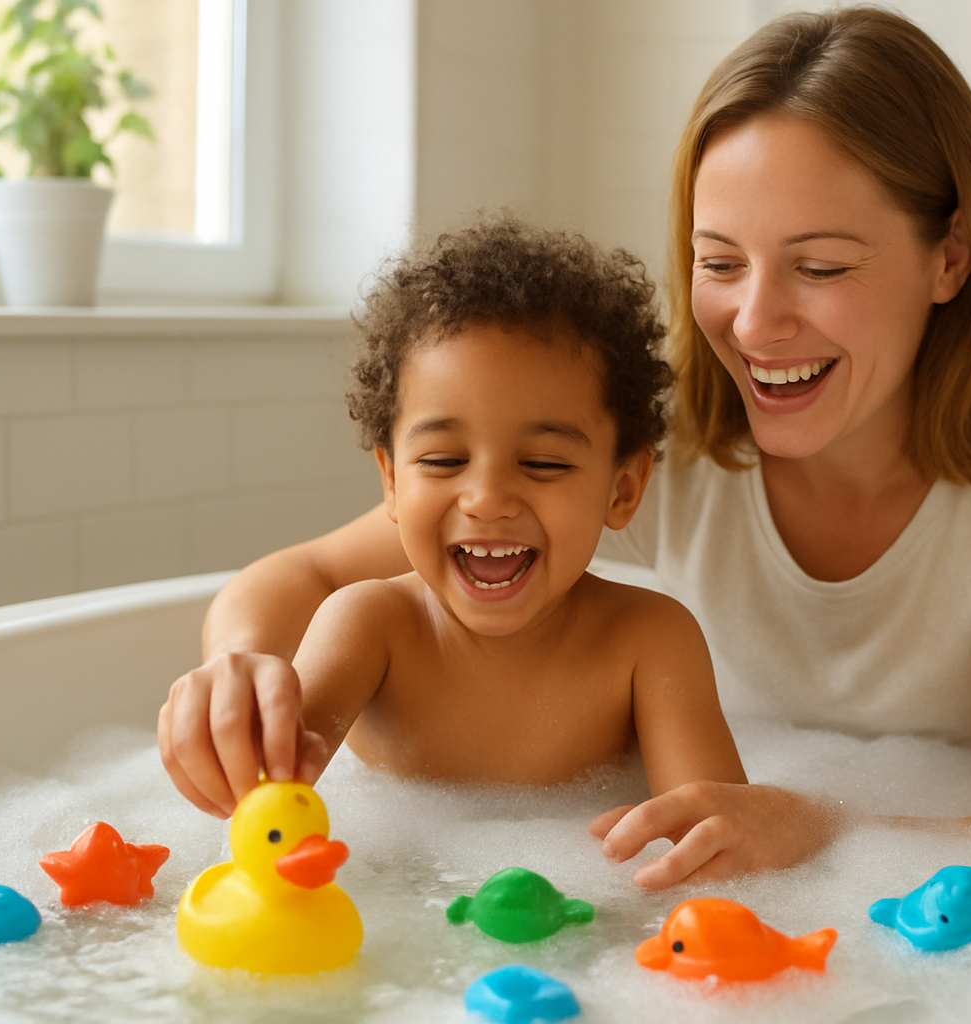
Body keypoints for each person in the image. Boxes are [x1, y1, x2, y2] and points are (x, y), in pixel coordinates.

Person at [162, 9, 971, 891]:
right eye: (719, 262)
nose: (754, 321)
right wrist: (239, 677)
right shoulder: (664, 437)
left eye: (820, 265)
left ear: (950, 258)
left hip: (962, 902)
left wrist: (825, 829)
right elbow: (299, 577)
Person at [158, 221, 746, 823]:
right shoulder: (369, 628)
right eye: (443, 460)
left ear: (622, 490)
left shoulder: (650, 642)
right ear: (391, 480)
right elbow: (265, 806)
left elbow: (719, 841)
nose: (487, 499)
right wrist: (240, 719)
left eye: (543, 463)